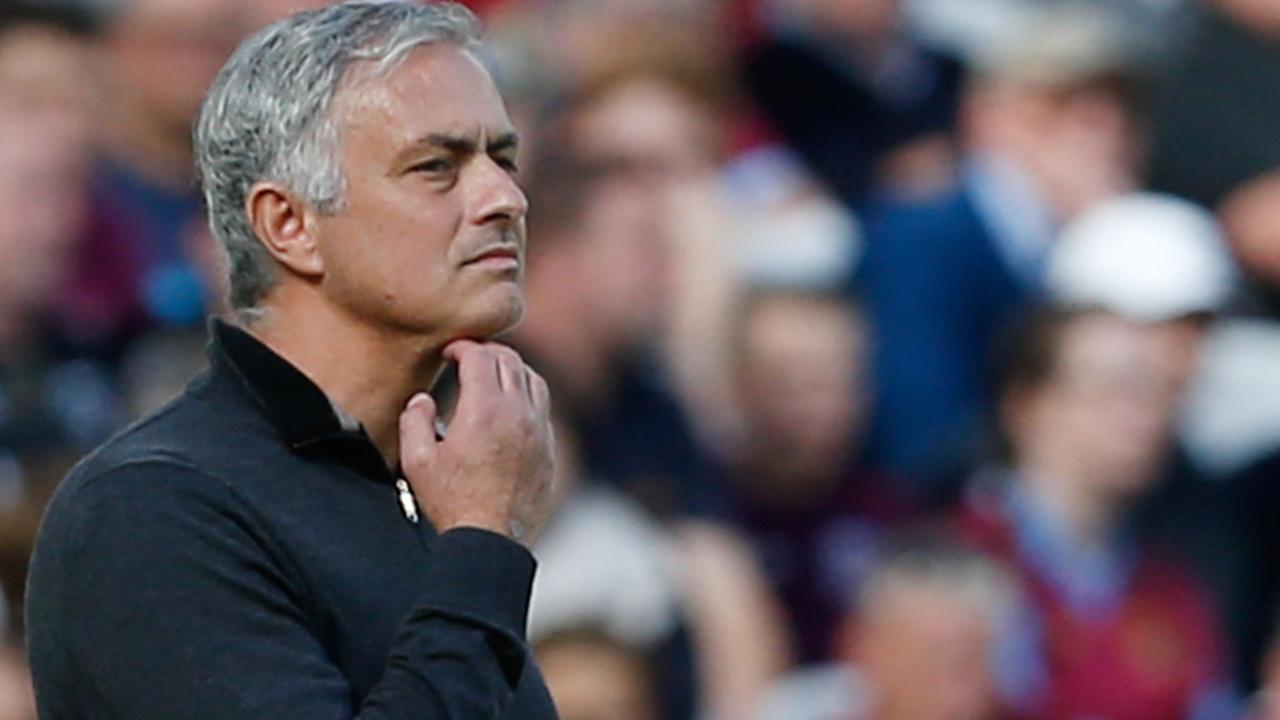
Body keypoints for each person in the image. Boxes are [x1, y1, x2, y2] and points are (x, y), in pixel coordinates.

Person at [26, 3, 559, 719]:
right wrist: (483, 546)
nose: (505, 198)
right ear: (288, 225)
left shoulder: (434, 491)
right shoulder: (152, 510)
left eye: (503, 158)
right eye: (437, 166)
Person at [960, 306, 1236, 719]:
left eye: (1160, 393)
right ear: (1027, 404)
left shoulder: (1172, 585)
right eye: (1117, 390)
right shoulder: (951, 560)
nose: (1146, 418)